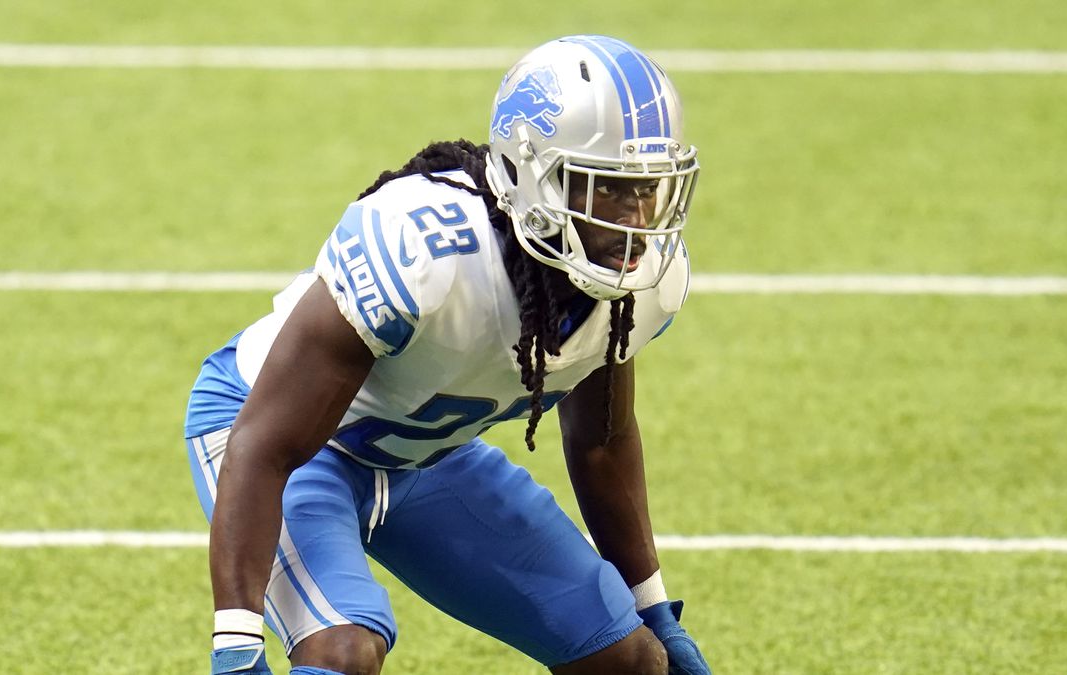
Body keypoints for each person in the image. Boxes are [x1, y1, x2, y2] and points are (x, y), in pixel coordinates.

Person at [185, 34, 709, 674]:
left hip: (424, 457)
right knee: (342, 650)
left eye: (648, 187)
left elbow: (602, 440)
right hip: (273, 433)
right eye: (605, 189)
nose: (636, 220)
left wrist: (653, 608)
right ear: (529, 175)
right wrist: (237, 644)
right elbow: (265, 445)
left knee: (630, 661)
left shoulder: (642, 283)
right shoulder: (426, 248)